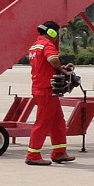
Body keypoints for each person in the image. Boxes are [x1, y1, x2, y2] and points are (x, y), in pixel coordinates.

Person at [24, 20, 72, 165]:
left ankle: (59, 152)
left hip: (41, 88)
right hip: (46, 90)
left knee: (58, 121)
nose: (57, 36)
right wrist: (62, 69)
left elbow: (45, 65)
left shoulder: (35, 45)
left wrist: (60, 68)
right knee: (42, 123)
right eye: (56, 33)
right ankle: (33, 155)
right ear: (51, 32)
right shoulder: (47, 44)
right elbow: (53, 59)